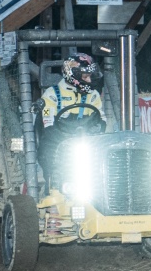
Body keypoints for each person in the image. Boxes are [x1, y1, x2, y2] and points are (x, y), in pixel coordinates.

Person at [37, 53, 106, 182]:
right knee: (48, 152)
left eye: (90, 76)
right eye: (85, 77)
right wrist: (67, 140)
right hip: (58, 142)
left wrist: (96, 131)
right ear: (72, 75)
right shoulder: (51, 94)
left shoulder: (93, 95)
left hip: (85, 141)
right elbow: (48, 123)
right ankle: (52, 184)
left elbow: (101, 120)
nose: (89, 81)